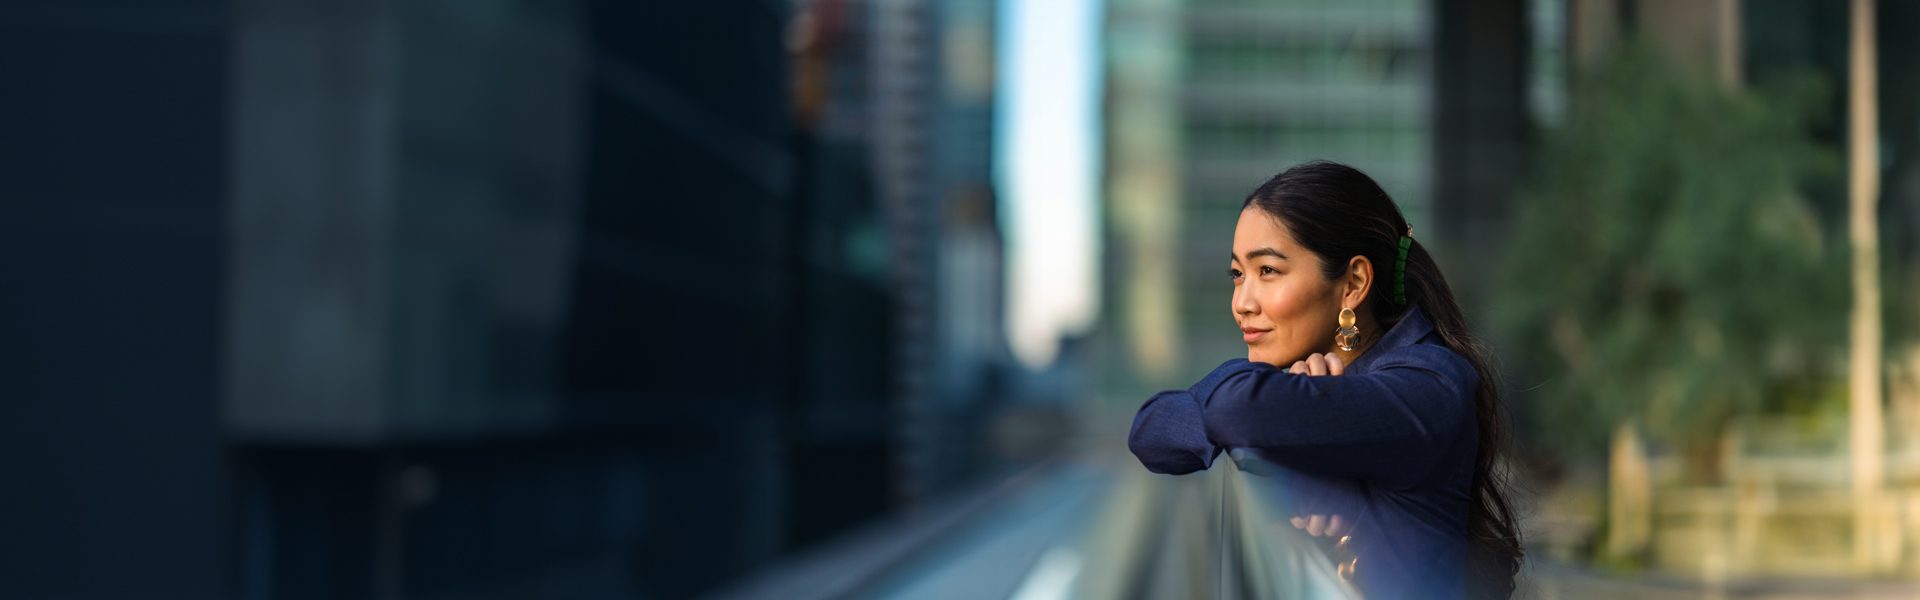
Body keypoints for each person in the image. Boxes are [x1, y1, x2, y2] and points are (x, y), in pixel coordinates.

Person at [1127, 161, 1522, 599]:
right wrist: (1292, 401)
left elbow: (1234, 409)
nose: (1242, 302)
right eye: (1238, 274)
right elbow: (1150, 430)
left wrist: (1284, 399)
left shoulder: (1430, 384)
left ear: (1353, 283)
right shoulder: (1299, 382)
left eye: (1268, 272)